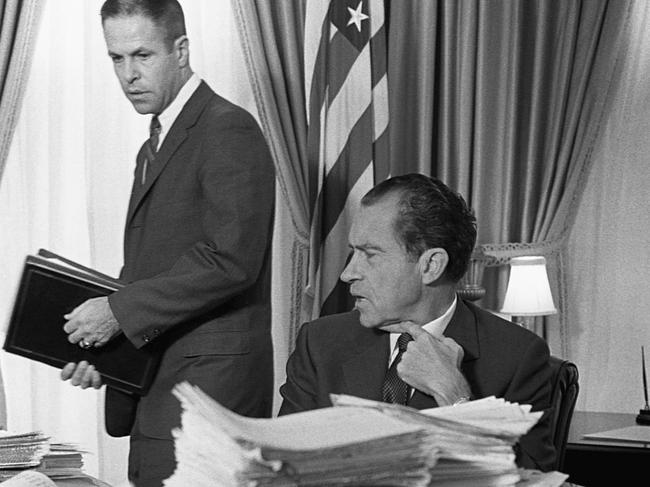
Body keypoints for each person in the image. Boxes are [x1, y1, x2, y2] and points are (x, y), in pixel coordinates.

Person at [60, 1, 275, 485]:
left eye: (142, 55)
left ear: (181, 50)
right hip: (160, 380)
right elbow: (154, 269)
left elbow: (231, 259)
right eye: (116, 58)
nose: (129, 75)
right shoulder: (154, 143)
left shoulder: (227, 128)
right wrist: (107, 347)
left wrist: (118, 312)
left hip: (209, 391)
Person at [278, 173, 556, 471]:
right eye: (353, 253)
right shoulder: (320, 343)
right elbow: (278, 464)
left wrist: (455, 397)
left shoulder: (518, 356)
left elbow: (532, 479)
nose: (348, 274)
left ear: (431, 266)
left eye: (370, 254)